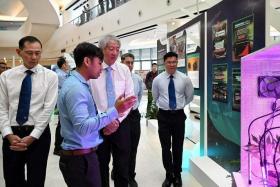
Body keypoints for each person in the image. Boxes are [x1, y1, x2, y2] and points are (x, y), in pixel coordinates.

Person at [58, 42, 136, 187]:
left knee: (121, 168)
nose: (101, 68)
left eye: (117, 49)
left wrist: (116, 117)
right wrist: (114, 112)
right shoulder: (76, 88)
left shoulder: (79, 83)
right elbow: (83, 126)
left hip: (85, 152)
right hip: (80, 156)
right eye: (99, 63)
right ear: (87, 61)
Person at [0, 36, 58, 187]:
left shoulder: (50, 76)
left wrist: (33, 136)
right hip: (12, 135)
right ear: (19, 52)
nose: (34, 57)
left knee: (36, 180)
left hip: (38, 135)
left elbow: (48, 109)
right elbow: (2, 107)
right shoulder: (7, 76)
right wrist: (8, 134)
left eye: (37, 53)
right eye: (29, 53)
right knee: (12, 180)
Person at [88, 35, 134, 187]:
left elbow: (130, 98)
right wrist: (105, 121)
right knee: (101, 165)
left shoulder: (124, 70)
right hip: (99, 124)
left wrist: (116, 120)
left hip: (121, 123)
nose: (114, 53)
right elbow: (90, 101)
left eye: (117, 49)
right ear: (101, 50)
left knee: (122, 166)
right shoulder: (93, 71)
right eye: (111, 49)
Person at [152, 52, 194, 187]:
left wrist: (178, 106)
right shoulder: (157, 80)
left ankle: (177, 174)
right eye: (169, 62)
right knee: (165, 147)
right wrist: (165, 106)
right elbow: (155, 97)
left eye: (174, 62)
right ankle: (168, 174)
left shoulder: (185, 79)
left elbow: (189, 97)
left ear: (177, 62)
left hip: (178, 116)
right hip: (163, 116)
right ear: (164, 63)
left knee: (178, 147)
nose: (171, 64)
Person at [111, 53, 143, 187]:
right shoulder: (114, 77)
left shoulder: (137, 79)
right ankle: (117, 169)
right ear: (121, 62)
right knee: (119, 148)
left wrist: (133, 108)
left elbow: (139, 95)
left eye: (132, 63)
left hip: (133, 116)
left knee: (133, 147)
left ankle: (131, 175)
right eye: (127, 62)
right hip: (119, 116)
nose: (129, 65)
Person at [53, 57, 70, 155]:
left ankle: (60, 146)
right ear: (63, 65)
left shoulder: (63, 74)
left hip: (62, 102)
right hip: (63, 103)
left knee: (62, 124)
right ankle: (58, 147)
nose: (68, 65)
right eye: (67, 63)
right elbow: (66, 88)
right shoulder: (61, 75)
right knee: (61, 125)